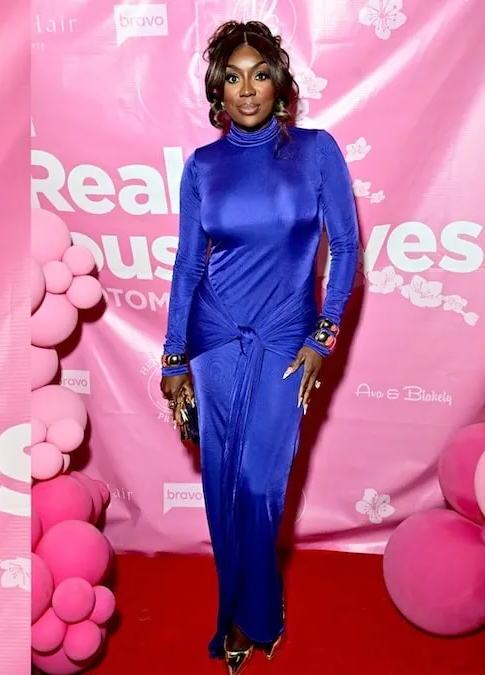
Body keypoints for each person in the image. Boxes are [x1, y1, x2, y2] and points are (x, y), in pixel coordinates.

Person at [159, 21, 359, 675]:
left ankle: (261, 610)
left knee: (260, 484)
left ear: (280, 82)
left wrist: (322, 339)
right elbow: (189, 269)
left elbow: (348, 248)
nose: (249, 89)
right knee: (221, 485)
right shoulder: (203, 167)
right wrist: (173, 359)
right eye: (235, 76)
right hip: (216, 341)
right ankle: (239, 621)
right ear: (219, 87)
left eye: (261, 74)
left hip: (284, 339)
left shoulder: (317, 151)